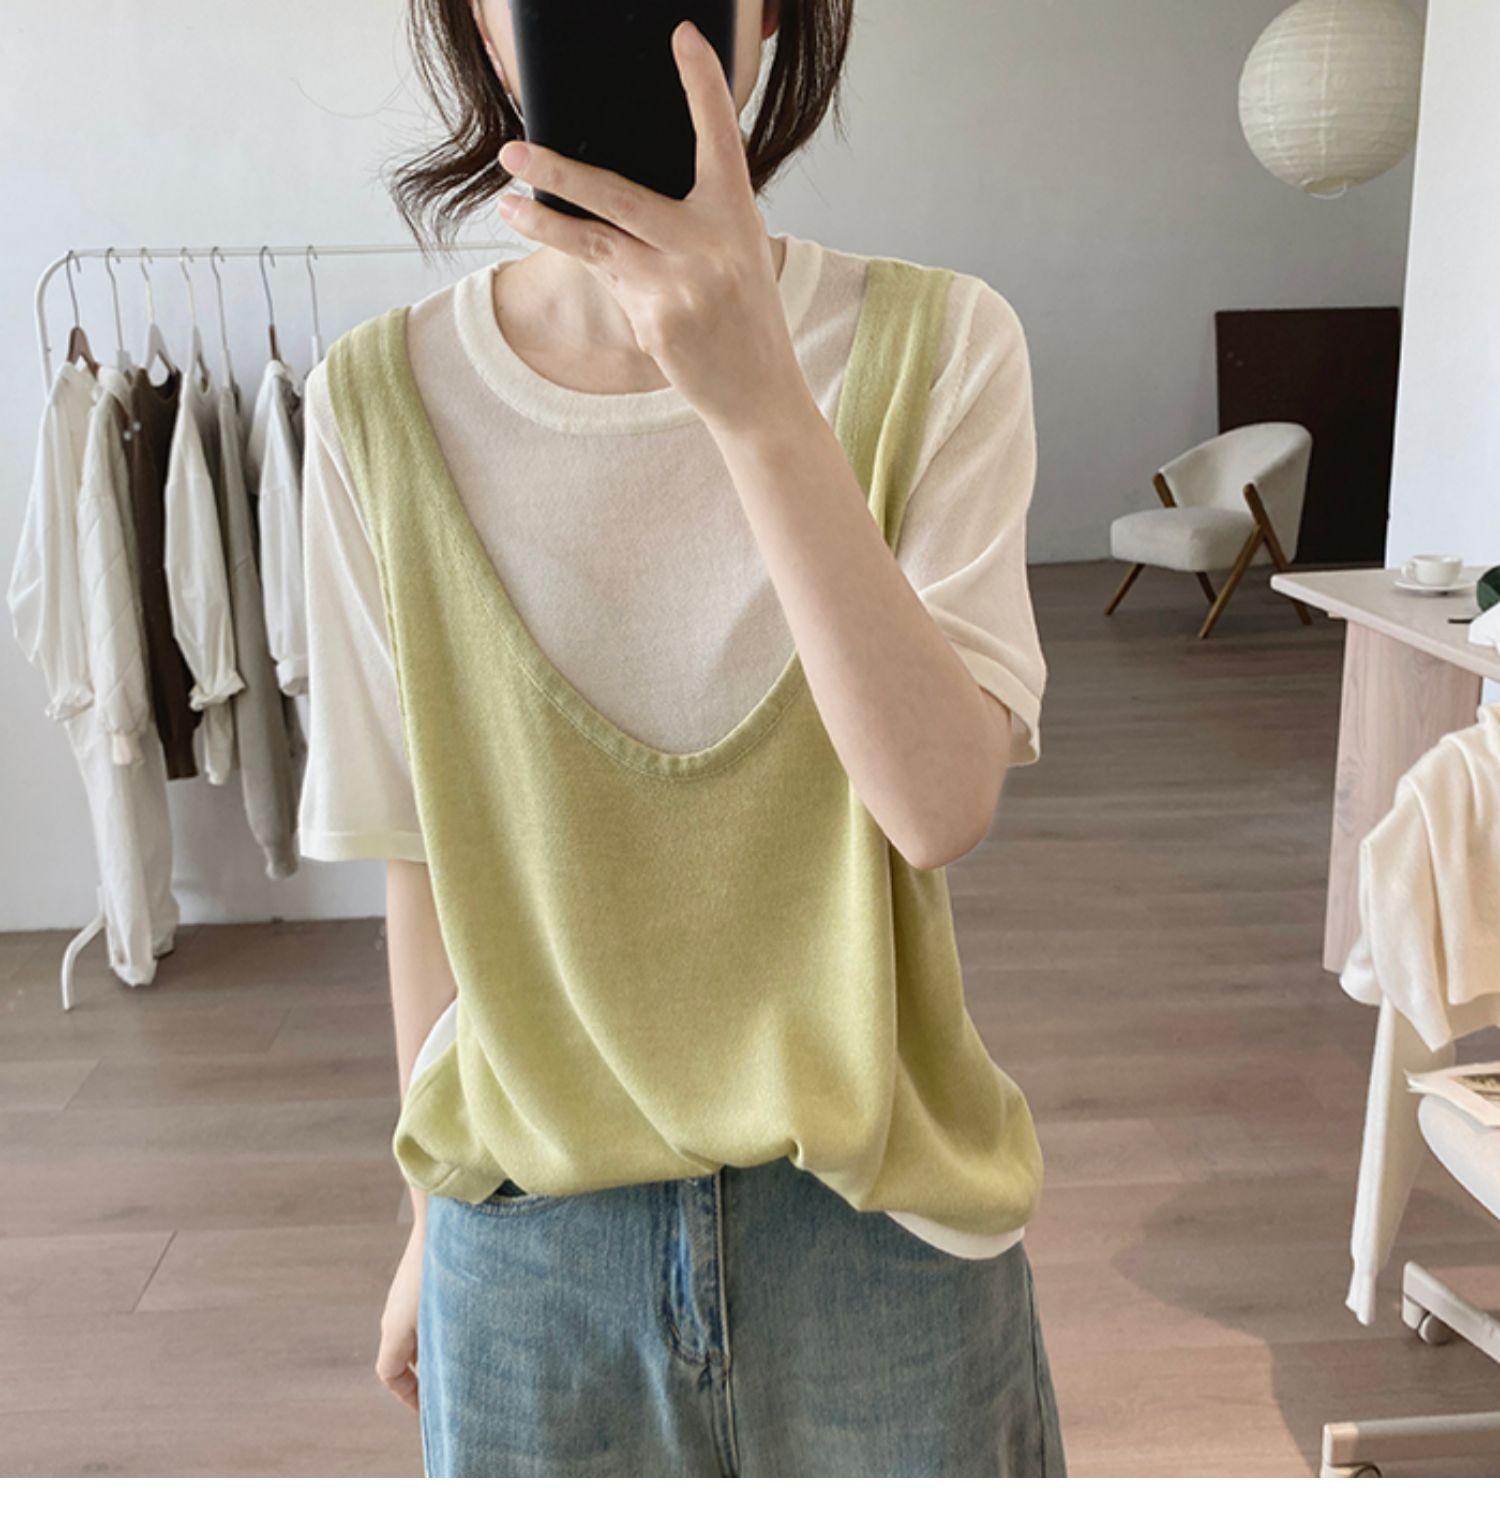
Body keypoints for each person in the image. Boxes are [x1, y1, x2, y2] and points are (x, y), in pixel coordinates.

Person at [297, 0, 1065, 1478]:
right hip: (530, 1254)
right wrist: (426, 1223)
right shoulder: (374, 407)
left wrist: (761, 403)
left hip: (882, 1234)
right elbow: (423, 861)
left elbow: (938, 805)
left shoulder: (941, 344)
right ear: (480, 20)